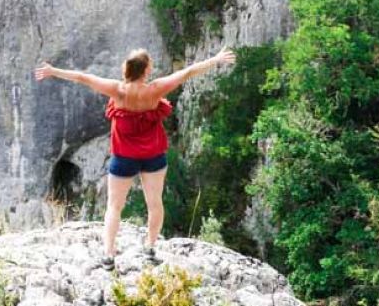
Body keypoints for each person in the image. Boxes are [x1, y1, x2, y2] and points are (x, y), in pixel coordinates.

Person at [34, 46, 236, 269]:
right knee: (155, 204)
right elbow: (188, 72)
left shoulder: (117, 91)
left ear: (127, 68)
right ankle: (149, 247)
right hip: (153, 156)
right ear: (146, 70)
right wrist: (216, 59)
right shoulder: (155, 90)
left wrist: (53, 70)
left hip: (124, 158)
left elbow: (83, 78)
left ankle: (109, 255)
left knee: (114, 206)